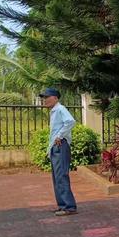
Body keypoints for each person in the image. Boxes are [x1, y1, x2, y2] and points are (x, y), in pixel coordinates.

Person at [39, 88, 78, 216]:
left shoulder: (60, 109)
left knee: (61, 175)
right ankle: (62, 205)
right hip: (56, 147)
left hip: (61, 146)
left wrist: (60, 136)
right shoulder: (54, 111)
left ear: (55, 98)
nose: (45, 100)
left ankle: (69, 207)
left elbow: (71, 121)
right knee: (56, 177)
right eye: (44, 98)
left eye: (47, 97)